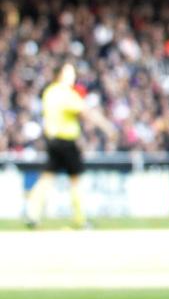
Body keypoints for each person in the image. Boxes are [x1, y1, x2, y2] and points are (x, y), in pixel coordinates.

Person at [22, 63, 113, 229]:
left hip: (52, 141)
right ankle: (80, 219)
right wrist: (107, 127)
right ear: (61, 74)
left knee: (47, 178)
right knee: (76, 181)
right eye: (69, 72)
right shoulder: (66, 93)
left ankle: (32, 213)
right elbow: (86, 112)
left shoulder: (49, 92)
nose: (73, 76)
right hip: (67, 142)